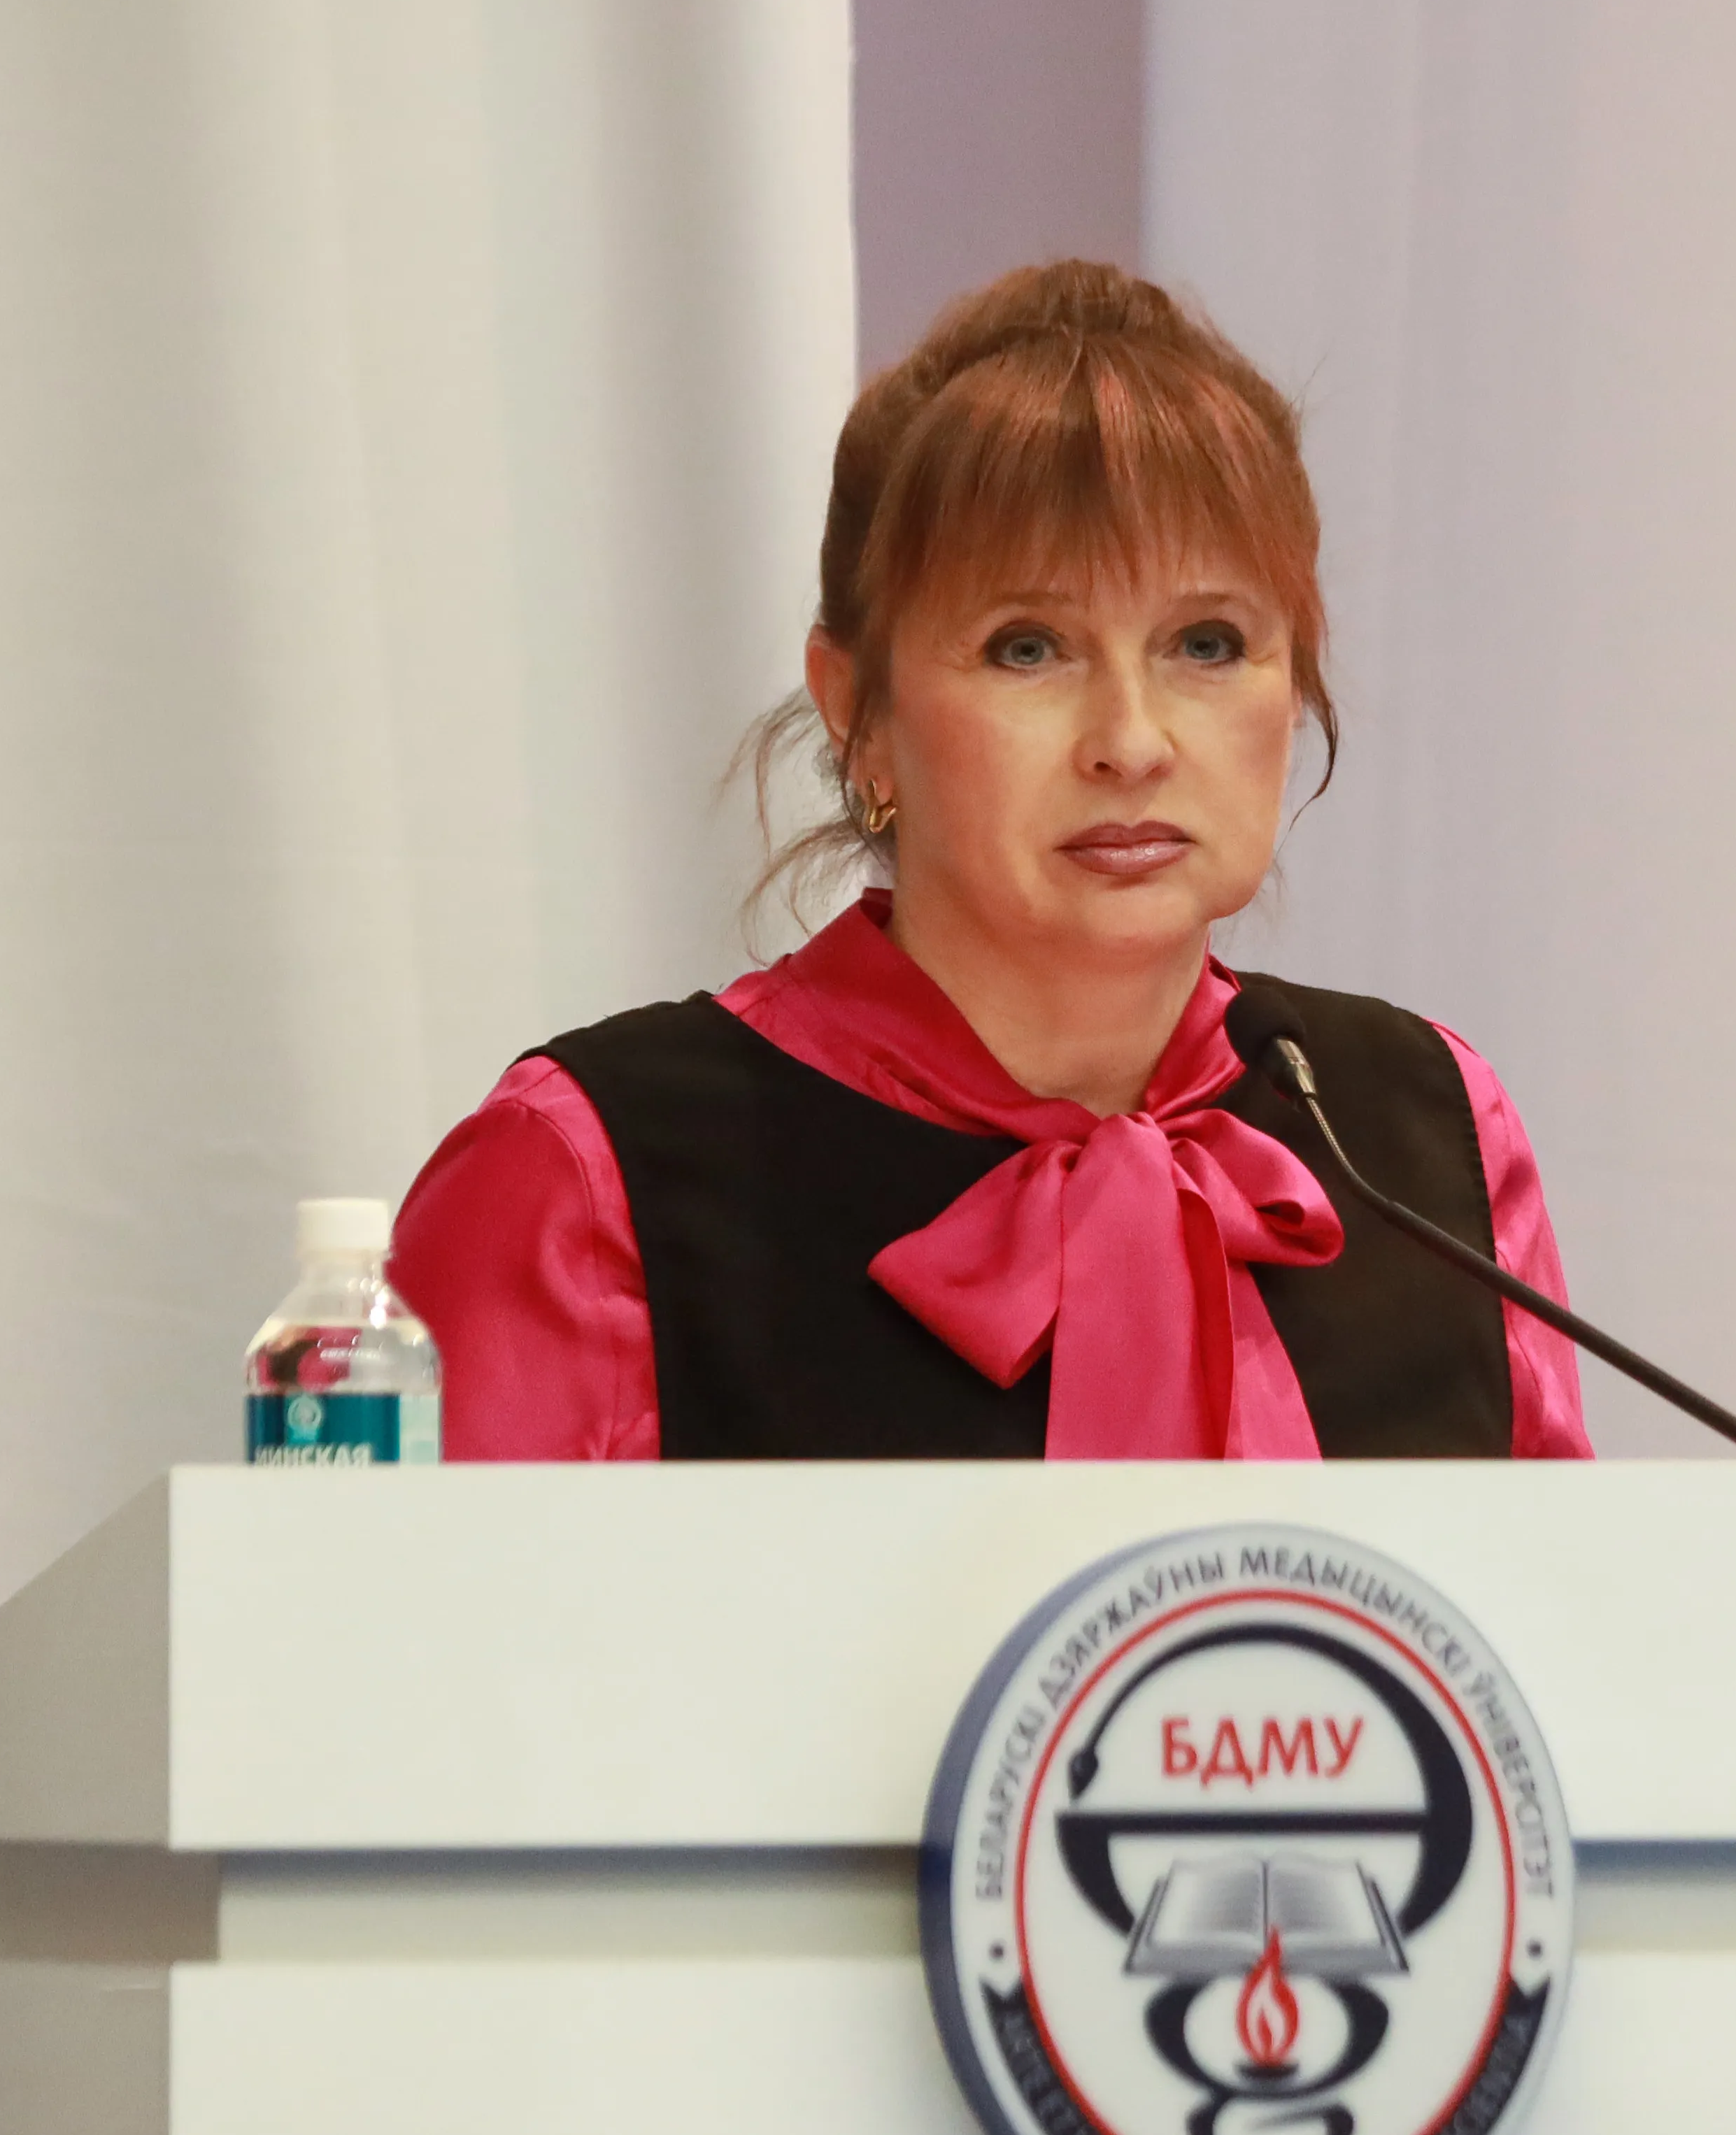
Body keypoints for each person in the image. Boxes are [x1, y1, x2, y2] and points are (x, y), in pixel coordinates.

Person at [392, 262, 1590, 1462]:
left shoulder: (1430, 1137)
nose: (1130, 742)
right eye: (1028, 648)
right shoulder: (586, 1180)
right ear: (856, 711)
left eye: (1207, 643)